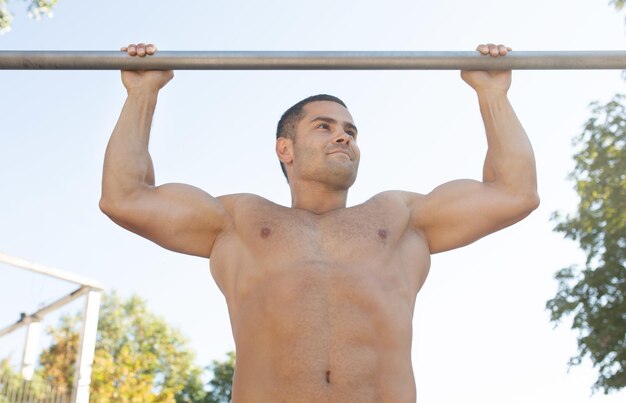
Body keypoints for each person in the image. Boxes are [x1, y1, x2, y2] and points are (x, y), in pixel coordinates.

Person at [100, 42, 539, 402]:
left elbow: (513, 193)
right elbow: (125, 197)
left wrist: (492, 95)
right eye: (324, 127)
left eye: (349, 129)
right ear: (284, 150)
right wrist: (142, 94)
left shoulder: (400, 218)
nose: (343, 135)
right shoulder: (240, 221)